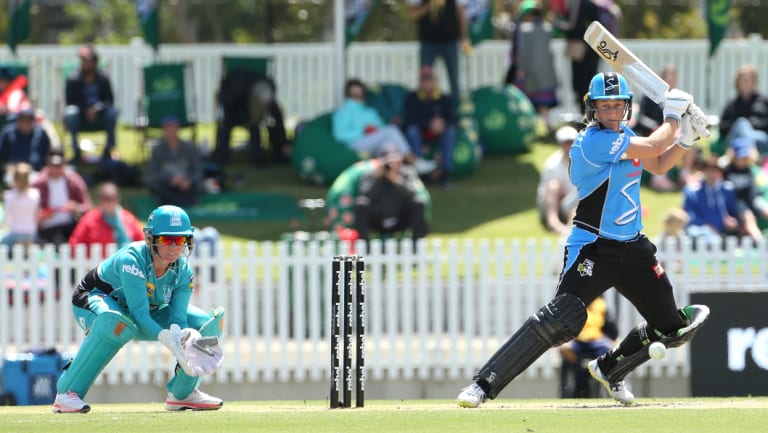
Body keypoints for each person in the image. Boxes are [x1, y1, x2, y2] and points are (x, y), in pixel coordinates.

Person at [456, 72, 710, 408]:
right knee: (561, 320)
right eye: (604, 107)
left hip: (634, 249)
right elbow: (654, 145)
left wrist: (686, 139)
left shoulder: (626, 134)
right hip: (593, 247)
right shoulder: (592, 142)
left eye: (617, 106)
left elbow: (660, 164)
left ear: (626, 107)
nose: (611, 113)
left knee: (672, 328)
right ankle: (482, 385)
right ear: (592, 109)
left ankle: (610, 368)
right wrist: (674, 116)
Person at [52, 205, 224, 413]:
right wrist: (170, 340)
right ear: (151, 239)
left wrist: (183, 339)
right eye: (165, 240)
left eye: (179, 240)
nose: (173, 247)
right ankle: (67, 393)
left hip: (140, 313)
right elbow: (139, 314)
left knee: (204, 323)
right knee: (115, 322)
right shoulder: (132, 260)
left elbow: (177, 318)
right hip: (92, 300)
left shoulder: (183, 269)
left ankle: (182, 394)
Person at [333, 78, 435, 174]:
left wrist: (374, 130)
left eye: (358, 91)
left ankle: (394, 180)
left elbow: (380, 128)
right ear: (348, 93)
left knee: (390, 145)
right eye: (353, 92)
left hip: (374, 141)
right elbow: (340, 134)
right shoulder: (342, 112)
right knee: (391, 130)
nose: (356, 94)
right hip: (356, 143)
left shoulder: (369, 111)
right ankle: (414, 162)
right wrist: (363, 131)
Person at [631, 65, 694, 192]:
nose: (670, 80)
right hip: (651, 131)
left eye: (673, 77)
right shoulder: (651, 95)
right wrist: (657, 127)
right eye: (667, 77)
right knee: (666, 139)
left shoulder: (678, 97)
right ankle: (659, 178)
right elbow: (642, 117)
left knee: (688, 138)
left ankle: (685, 173)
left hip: (671, 130)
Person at [354, 148, 430, 246]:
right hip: (377, 218)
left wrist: (397, 181)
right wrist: (376, 178)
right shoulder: (372, 174)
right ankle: (364, 244)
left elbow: (413, 194)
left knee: (418, 202)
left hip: (400, 218)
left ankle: (416, 243)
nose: (392, 165)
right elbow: (364, 194)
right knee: (361, 203)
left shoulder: (407, 173)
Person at [683, 155, 763, 248]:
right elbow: (690, 215)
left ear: (719, 172)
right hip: (701, 229)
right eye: (708, 170)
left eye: (714, 170)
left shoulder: (727, 190)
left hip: (724, 231)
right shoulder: (693, 191)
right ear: (704, 171)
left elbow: (734, 211)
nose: (711, 173)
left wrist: (735, 222)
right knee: (694, 233)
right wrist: (707, 225)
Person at [212, 71, 289, 166]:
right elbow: (227, 103)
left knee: (254, 124)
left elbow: (277, 116)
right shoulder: (235, 90)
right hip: (237, 103)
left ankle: (258, 157)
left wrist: (284, 142)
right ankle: (256, 158)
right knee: (250, 124)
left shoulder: (263, 91)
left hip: (246, 97)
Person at [508, 0, 558, 132]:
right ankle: (547, 127)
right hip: (545, 73)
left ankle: (526, 128)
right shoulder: (547, 28)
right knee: (543, 104)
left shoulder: (524, 30)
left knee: (524, 101)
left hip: (528, 72)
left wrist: (520, 69)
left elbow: (521, 53)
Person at [63, 44, 118, 162]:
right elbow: (70, 102)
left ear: (94, 62)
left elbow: (109, 100)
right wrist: (85, 110)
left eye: (87, 60)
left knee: (112, 112)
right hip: (80, 116)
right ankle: (76, 152)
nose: (84, 63)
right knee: (70, 113)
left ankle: (109, 150)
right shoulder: (73, 79)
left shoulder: (103, 78)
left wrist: (97, 109)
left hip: (100, 115)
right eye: (82, 60)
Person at [402, 66, 457, 186]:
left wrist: (442, 123)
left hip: (438, 133)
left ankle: (445, 172)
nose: (427, 84)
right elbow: (410, 119)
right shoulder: (412, 98)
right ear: (420, 82)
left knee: (450, 132)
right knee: (412, 131)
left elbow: (452, 118)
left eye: (430, 80)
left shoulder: (444, 98)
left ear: (435, 81)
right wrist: (429, 124)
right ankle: (417, 170)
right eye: (424, 81)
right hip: (421, 132)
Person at [406, 0, 471, 99]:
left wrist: (464, 38)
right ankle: (424, 109)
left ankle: (454, 109)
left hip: (450, 42)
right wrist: (429, 6)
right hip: (428, 42)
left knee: (454, 79)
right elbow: (413, 14)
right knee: (425, 78)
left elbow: (461, 13)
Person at [559, 296, 617, 398]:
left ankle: (606, 381)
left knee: (609, 350)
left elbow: (611, 330)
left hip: (597, 341)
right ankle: (577, 379)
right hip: (578, 341)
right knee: (566, 349)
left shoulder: (601, 305)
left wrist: (611, 341)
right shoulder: (575, 305)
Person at [68, 181, 145, 258]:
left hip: (126, 265)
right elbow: (75, 244)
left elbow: (142, 243)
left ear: (118, 199)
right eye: (105, 198)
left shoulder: (129, 218)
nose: (109, 202)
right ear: (100, 199)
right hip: (96, 265)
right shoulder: (89, 219)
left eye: (112, 198)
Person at [33, 150, 91, 245]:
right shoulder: (39, 183)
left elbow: (87, 206)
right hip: (47, 228)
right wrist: (42, 214)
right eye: (53, 165)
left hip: (69, 226)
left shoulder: (74, 181)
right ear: (48, 165)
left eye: (59, 165)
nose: (56, 168)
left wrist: (76, 208)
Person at [145, 115, 204, 207]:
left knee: (200, 183)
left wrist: (189, 181)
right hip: (167, 185)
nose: (171, 131)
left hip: (186, 185)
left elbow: (197, 170)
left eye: (173, 128)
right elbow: (152, 174)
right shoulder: (158, 150)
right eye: (168, 128)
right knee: (153, 183)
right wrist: (170, 180)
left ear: (178, 129)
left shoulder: (189, 148)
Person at [553, 0, 600, 113]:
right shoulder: (592, 4)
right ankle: (591, 116)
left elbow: (573, 26)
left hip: (582, 53)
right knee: (591, 85)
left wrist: (557, 23)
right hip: (592, 50)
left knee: (581, 86)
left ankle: (586, 117)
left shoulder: (579, 4)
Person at [536, 125, 578, 236]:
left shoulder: (585, 162)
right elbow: (546, 192)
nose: (570, 146)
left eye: (572, 141)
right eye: (566, 142)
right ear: (560, 144)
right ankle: (553, 222)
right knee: (553, 185)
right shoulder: (552, 164)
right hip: (553, 203)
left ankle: (575, 226)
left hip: (574, 201)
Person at [718, 64, 768, 155]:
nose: (745, 83)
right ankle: (751, 154)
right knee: (741, 124)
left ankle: (746, 153)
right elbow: (722, 127)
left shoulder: (764, 101)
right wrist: (738, 125)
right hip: (735, 139)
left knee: (743, 125)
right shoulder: (731, 104)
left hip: (759, 137)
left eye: (748, 80)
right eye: (743, 80)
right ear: (737, 82)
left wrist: (751, 124)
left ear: (754, 82)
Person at [0, 107, 52, 178]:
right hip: (13, 175)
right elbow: (2, 157)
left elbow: (48, 154)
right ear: (17, 121)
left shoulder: (41, 133)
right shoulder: (8, 133)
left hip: (36, 174)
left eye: (29, 120)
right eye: (22, 120)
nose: (25, 123)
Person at [1, 162, 40, 248]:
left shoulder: (9, 196)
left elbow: (7, 218)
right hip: (32, 234)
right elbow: (37, 216)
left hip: (15, 234)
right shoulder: (35, 194)